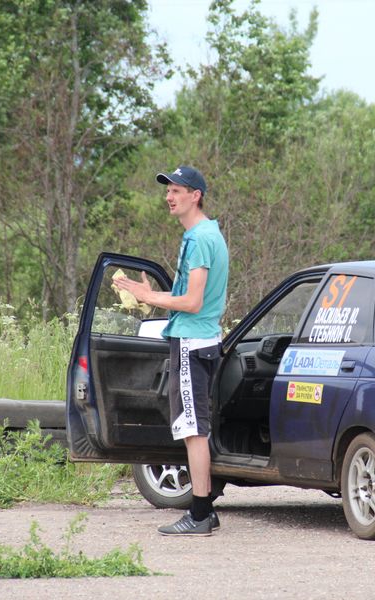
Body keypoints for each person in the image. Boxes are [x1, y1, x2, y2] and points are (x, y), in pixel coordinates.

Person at [112, 165, 229, 536]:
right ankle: (204, 510)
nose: (169, 196)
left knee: (194, 431)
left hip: (193, 344)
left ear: (196, 196)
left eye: (177, 190)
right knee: (196, 429)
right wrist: (150, 296)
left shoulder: (199, 239)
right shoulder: (208, 234)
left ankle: (199, 514)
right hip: (202, 339)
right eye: (168, 190)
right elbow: (190, 296)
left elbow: (193, 302)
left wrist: (148, 295)